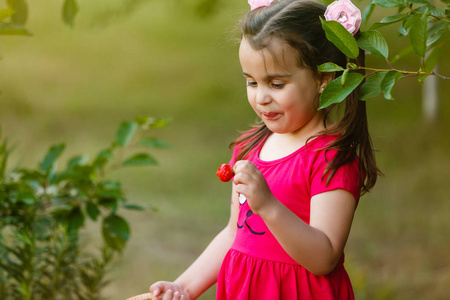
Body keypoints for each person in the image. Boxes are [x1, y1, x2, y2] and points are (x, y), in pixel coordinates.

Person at [149, 0, 381, 299]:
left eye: (276, 84)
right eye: (251, 82)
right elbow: (234, 234)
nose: (261, 97)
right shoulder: (250, 147)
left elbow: (325, 258)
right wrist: (184, 286)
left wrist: (268, 206)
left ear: (323, 79)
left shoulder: (330, 157)